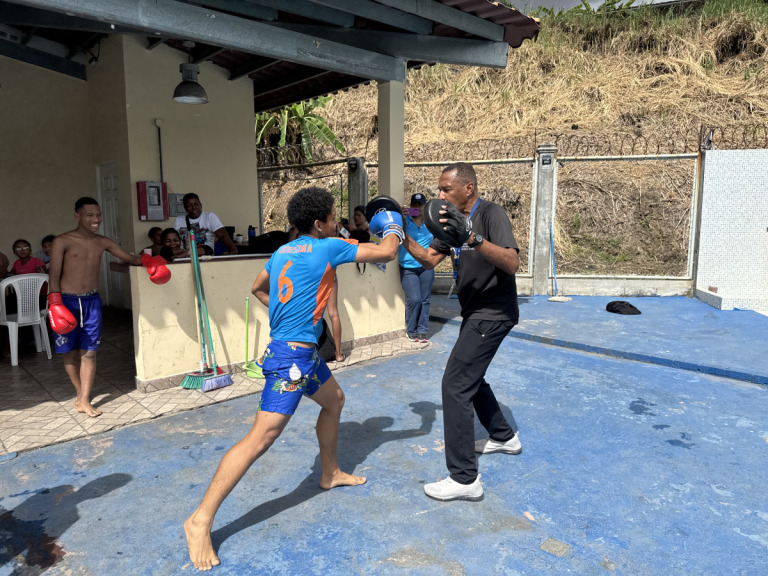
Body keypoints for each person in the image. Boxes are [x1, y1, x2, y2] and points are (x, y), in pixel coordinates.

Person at [184, 186, 403, 571]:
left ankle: (329, 472)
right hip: (291, 359)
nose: (338, 223)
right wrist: (393, 223)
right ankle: (199, 520)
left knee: (334, 401)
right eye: (334, 218)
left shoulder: (282, 251)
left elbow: (257, 289)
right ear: (319, 224)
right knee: (261, 438)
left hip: (301, 354)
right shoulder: (328, 246)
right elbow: (386, 252)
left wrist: (288, 317)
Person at [401, 162, 521, 502]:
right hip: (475, 313)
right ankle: (503, 436)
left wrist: (471, 237)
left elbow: (512, 263)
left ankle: (465, 478)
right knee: (471, 377)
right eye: (439, 190)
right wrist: (399, 232)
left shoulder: (490, 214)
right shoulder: (448, 221)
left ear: (468, 188)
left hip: (494, 312)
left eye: (445, 189)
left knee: (455, 384)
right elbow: (426, 259)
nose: (440, 195)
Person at [47, 197, 171, 418]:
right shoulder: (62, 241)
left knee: (90, 353)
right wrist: (55, 303)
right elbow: (53, 274)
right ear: (77, 215)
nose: (96, 219)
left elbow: (131, 259)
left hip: (92, 301)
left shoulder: (102, 241)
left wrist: (151, 261)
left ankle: (84, 399)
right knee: (69, 353)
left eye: (98, 215)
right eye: (90, 215)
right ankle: (81, 396)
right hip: (65, 301)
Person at [399, 193, 434, 343]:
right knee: (415, 299)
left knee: (425, 299)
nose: (417, 208)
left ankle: (422, 330)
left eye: (420, 205)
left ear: (425, 207)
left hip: (426, 266)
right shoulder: (405, 221)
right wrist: (399, 215)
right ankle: (411, 329)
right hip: (408, 267)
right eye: (414, 205)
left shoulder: (431, 223)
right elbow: (396, 230)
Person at [174, 193, 238, 256]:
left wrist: (232, 247)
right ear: (185, 208)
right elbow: (174, 241)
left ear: (200, 205)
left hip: (206, 257)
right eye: (189, 205)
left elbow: (222, 234)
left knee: (206, 249)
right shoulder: (179, 220)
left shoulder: (209, 216)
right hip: (185, 258)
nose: (193, 207)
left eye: (196, 204)